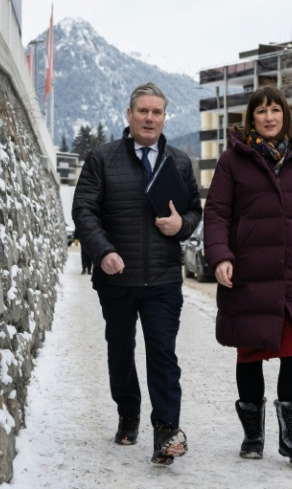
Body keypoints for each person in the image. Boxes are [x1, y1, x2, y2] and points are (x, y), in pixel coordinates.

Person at [203, 85, 292, 464]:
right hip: (248, 272)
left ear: (285, 116)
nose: (268, 117)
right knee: (250, 351)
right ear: (251, 117)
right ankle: (252, 436)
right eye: (261, 111)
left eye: (275, 110)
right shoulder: (233, 160)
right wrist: (220, 257)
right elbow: (216, 212)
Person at [72, 82, 202, 465]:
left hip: (163, 279)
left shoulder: (178, 161)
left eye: (156, 112)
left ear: (164, 117)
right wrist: (103, 251)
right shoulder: (102, 158)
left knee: (163, 354)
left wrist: (181, 225)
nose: (149, 118)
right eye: (142, 111)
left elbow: (195, 211)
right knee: (120, 351)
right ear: (129, 116)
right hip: (117, 278)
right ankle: (128, 414)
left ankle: (166, 432)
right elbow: (83, 211)